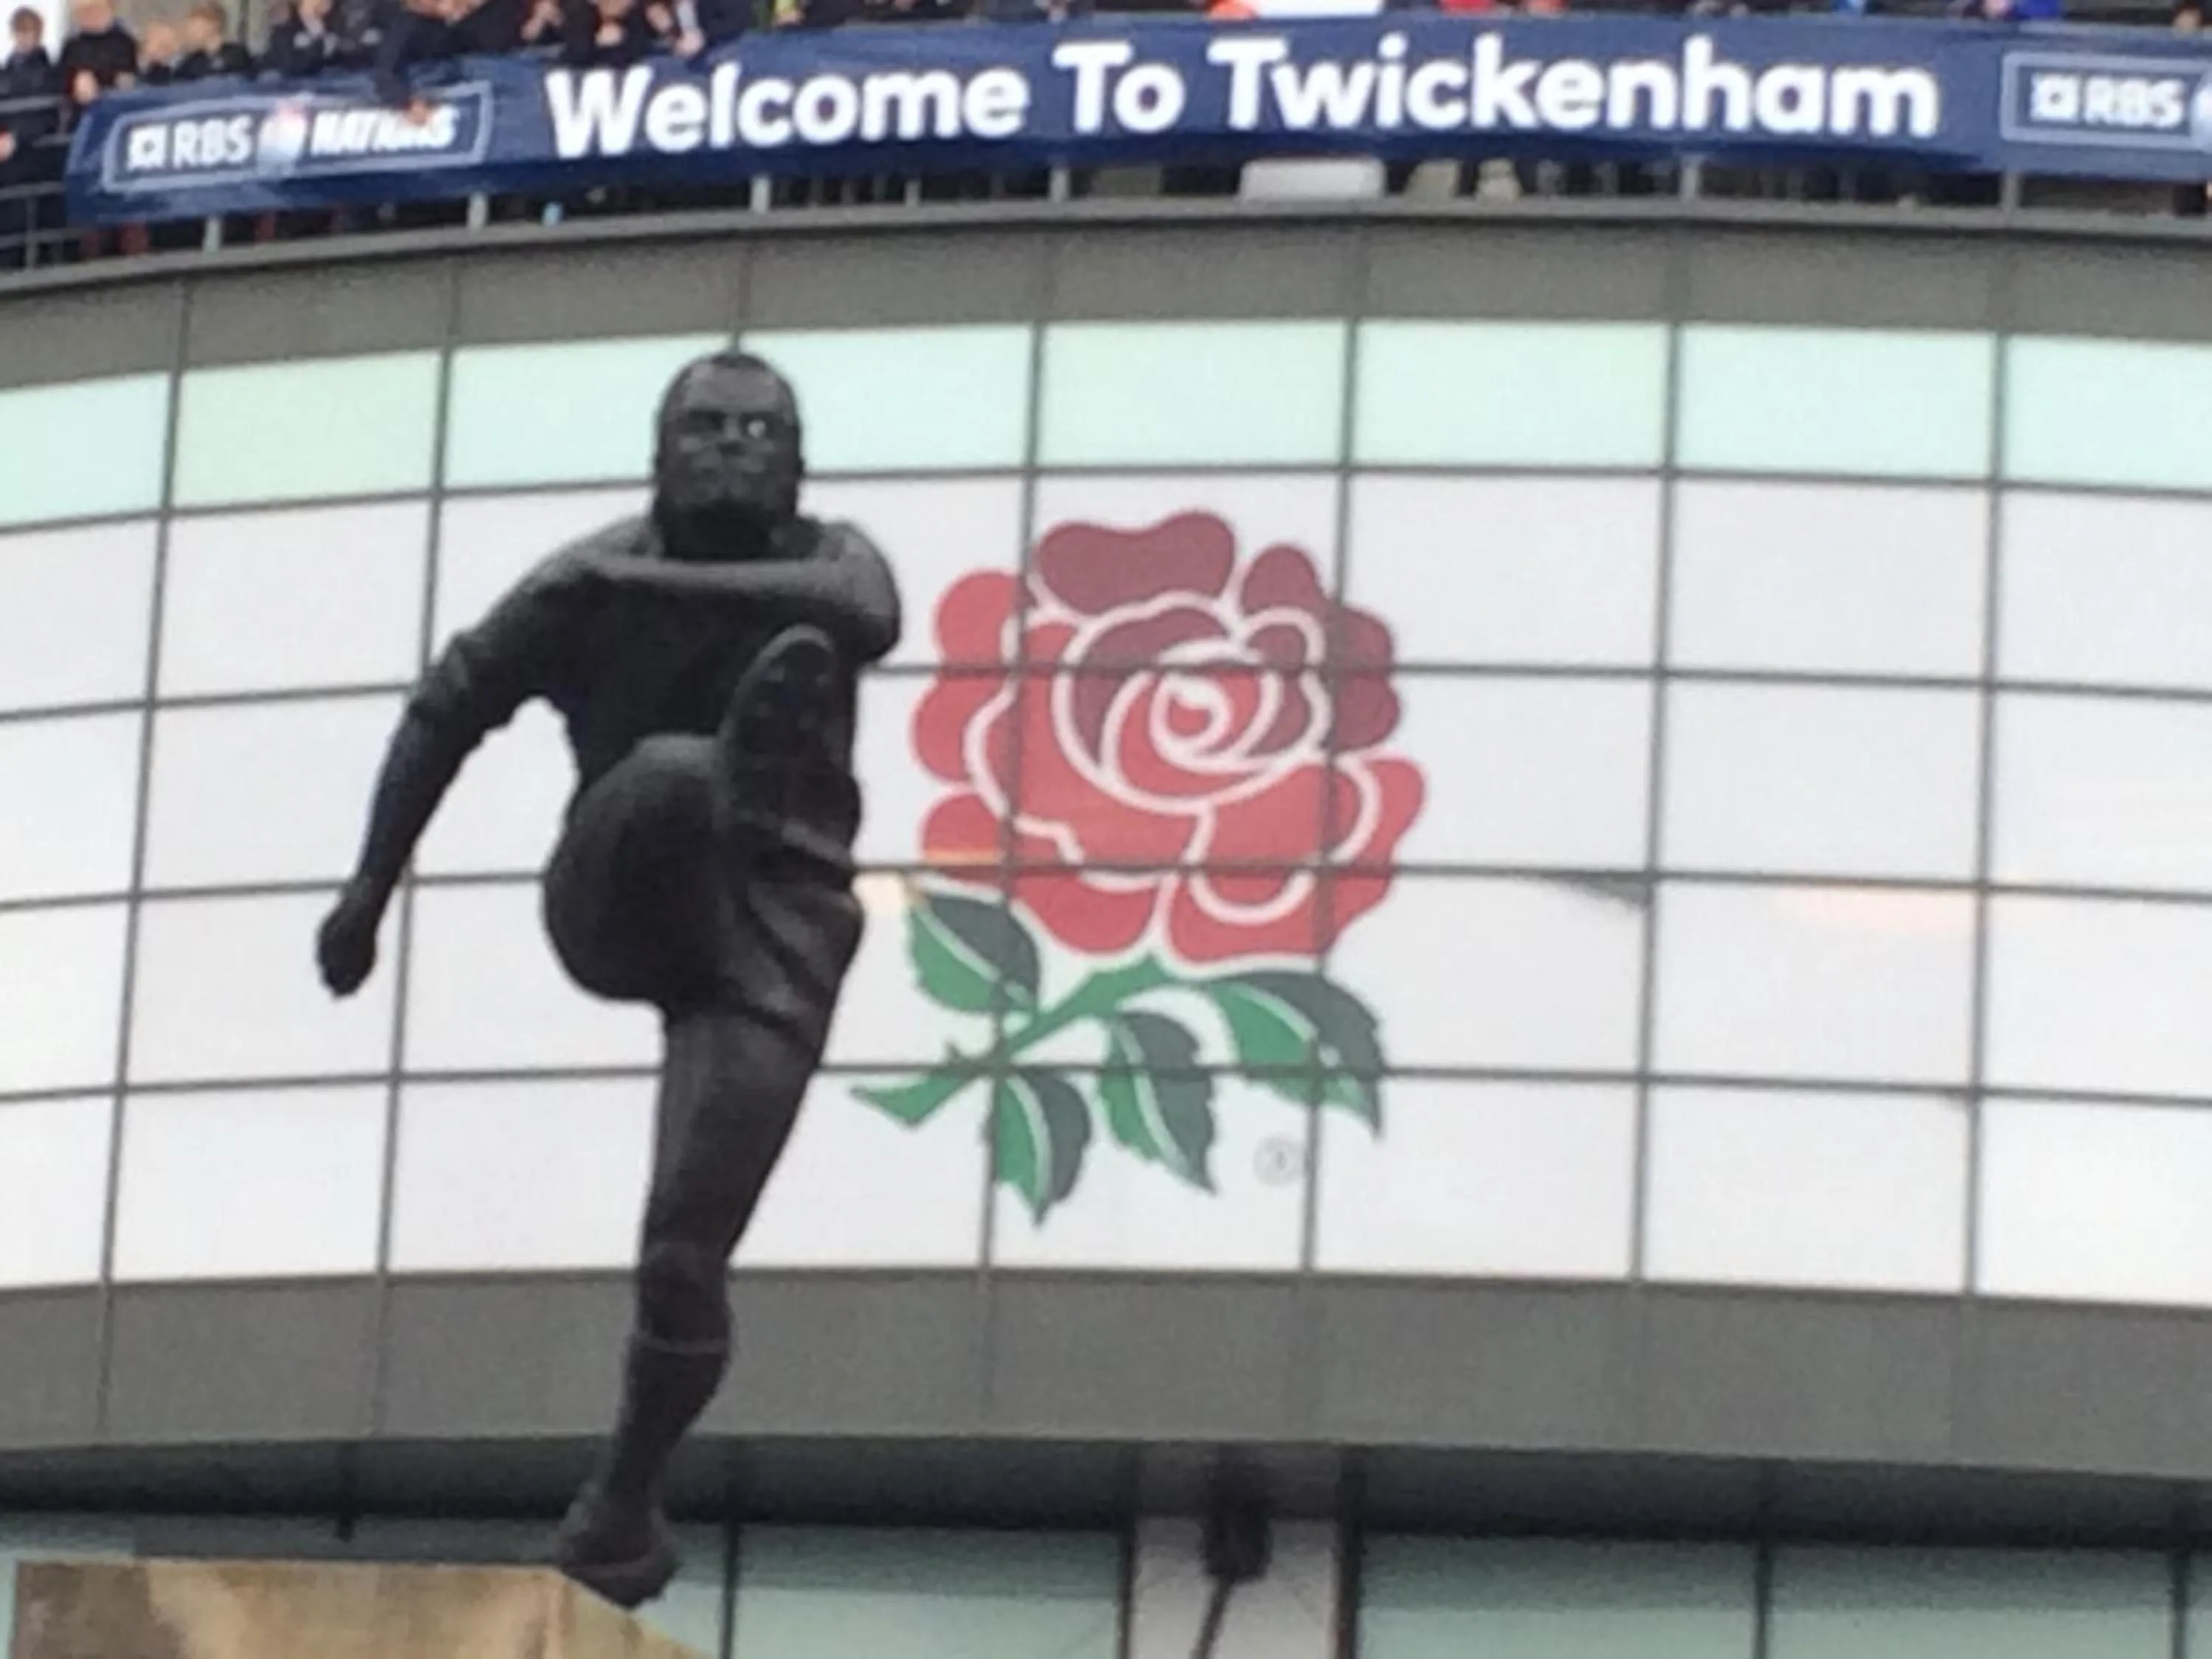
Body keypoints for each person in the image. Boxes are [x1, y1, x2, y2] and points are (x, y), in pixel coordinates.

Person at [315, 352, 900, 1610]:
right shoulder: (579, 584)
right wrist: (370, 889)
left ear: (798, 463)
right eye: (707, 426)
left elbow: (871, 610)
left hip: (777, 928)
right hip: (619, 887)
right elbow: (445, 709)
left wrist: (628, 586)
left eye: (762, 429)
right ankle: (723, 772)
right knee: (676, 774)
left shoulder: (789, 559)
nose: (735, 446)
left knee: (685, 1253)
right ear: (659, 451)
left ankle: (621, 1506)